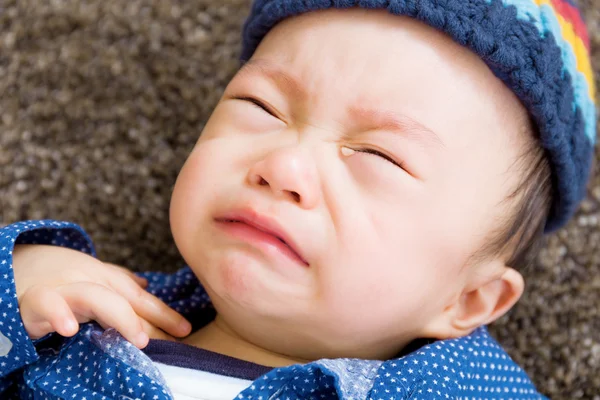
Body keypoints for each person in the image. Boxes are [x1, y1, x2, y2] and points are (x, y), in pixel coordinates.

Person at [0, 1, 596, 399]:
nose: (282, 167)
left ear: (469, 300)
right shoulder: (83, 315)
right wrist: (15, 288)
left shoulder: (463, 387)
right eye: (262, 108)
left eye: (379, 157)